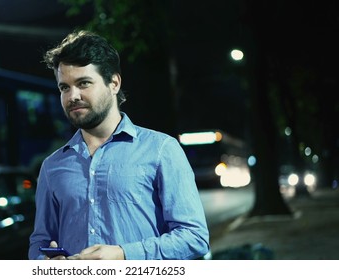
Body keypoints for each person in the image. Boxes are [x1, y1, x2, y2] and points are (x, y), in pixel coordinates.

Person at [28, 30, 209, 260]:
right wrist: (47, 262)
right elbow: (40, 241)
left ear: (113, 83)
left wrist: (125, 255)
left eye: (83, 83)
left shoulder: (161, 150)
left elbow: (194, 238)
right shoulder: (52, 166)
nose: (72, 96)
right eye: (64, 87)